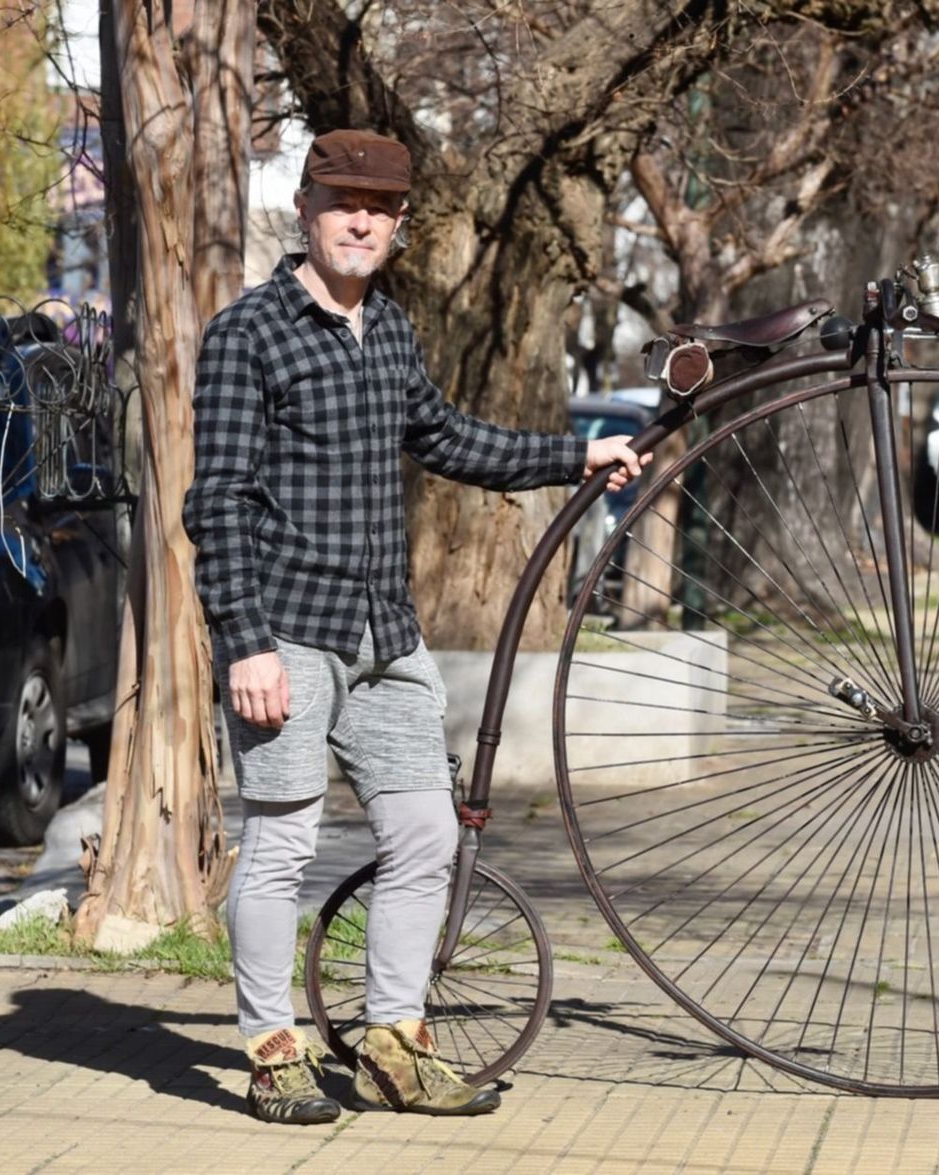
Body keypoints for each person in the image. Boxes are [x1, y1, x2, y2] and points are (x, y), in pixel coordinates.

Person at [183, 129, 649, 1126]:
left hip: (384, 636)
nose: (361, 219)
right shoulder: (248, 334)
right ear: (306, 207)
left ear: (397, 225)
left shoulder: (387, 329)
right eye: (343, 200)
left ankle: (392, 1040)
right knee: (279, 847)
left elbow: (443, 435)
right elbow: (216, 500)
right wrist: (244, 640)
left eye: (380, 207)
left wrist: (577, 457)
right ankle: (272, 1048)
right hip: (289, 633)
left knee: (425, 833)